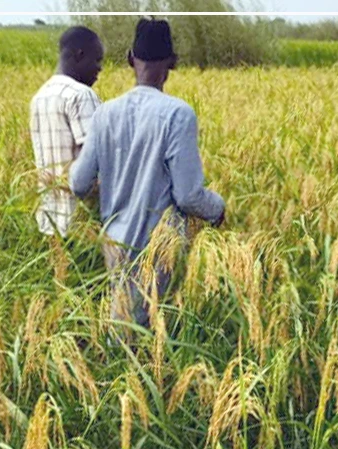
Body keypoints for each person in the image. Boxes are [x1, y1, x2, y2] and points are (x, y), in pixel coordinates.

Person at [69, 18, 226, 329]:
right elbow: (188, 194)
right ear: (172, 63)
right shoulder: (178, 114)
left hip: (115, 243)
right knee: (140, 334)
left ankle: (115, 369)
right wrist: (217, 208)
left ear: (130, 58)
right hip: (156, 248)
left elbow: (78, 182)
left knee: (125, 319)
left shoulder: (105, 113)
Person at [30, 26, 105, 238]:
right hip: (82, 222)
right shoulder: (81, 95)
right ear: (80, 55)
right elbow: (94, 162)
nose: (99, 69)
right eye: (97, 60)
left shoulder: (40, 96)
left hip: (49, 219)